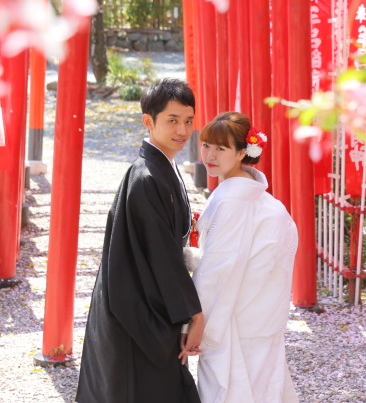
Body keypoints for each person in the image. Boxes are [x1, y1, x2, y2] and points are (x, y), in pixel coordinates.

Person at [77, 79, 203, 403]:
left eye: (188, 121)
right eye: (172, 120)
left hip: (139, 298)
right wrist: (193, 314)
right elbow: (161, 255)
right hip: (135, 310)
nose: (183, 130)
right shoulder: (147, 177)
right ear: (148, 121)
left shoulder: (161, 168)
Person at [186, 112, 298, 403]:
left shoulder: (233, 200)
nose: (209, 155)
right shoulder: (260, 198)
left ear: (242, 152)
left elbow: (218, 269)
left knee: (233, 391)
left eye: (220, 148)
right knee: (264, 389)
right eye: (206, 145)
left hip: (235, 320)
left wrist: (194, 322)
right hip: (260, 317)